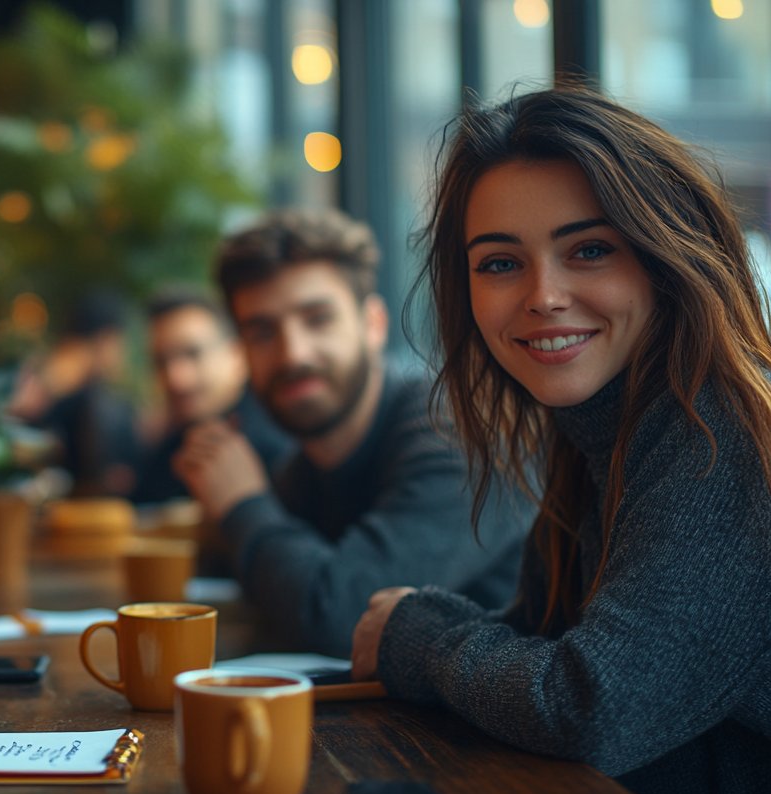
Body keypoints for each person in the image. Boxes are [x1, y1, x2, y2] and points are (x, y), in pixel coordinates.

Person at [350, 85, 771, 794]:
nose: (543, 295)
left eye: (590, 249)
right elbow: (549, 636)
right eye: (500, 263)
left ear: (663, 255)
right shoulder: (605, 425)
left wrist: (416, 636)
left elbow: (592, 707)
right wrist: (425, 619)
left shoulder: (721, 434)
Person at [173, 207, 531, 657]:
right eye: (262, 332)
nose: (292, 354)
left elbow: (343, 618)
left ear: (372, 324)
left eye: (317, 319)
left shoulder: (457, 432)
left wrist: (243, 504)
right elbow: (266, 598)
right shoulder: (302, 469)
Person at [131, 288, 292, 506]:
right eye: (161, 362)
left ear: (237, 354)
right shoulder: (171, 449)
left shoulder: (280, 444)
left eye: (192, 354)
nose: (176, 378)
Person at [12, 288, 140, 497]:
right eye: (119, 344)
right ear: (105, 339)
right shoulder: (65, 397)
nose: (121, 355)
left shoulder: (110, 402)